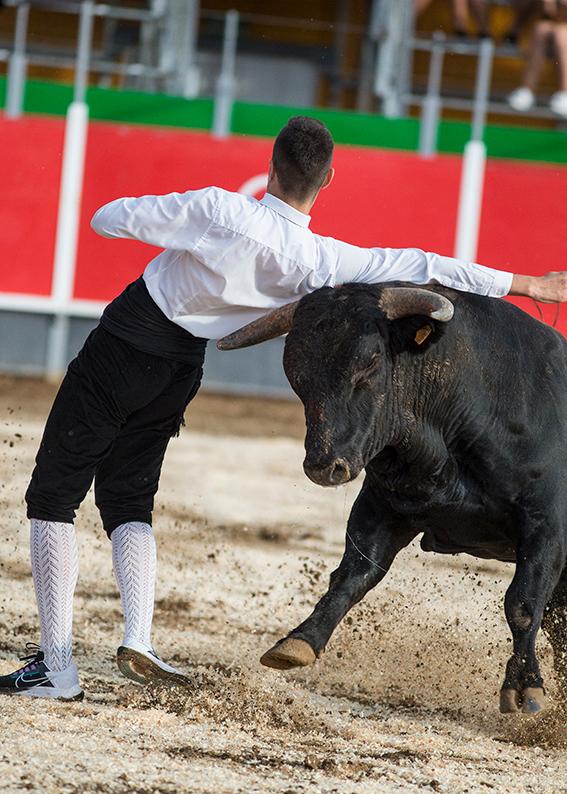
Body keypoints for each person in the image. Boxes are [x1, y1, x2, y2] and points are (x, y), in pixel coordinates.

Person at [1, 115, 566, 701]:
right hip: (180, 370)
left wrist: (183, 227)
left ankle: (57, 666)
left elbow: (108, 219)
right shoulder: (322, 261)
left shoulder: (220, 210)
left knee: (53, 495)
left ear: (271, 166)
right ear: (327, 182)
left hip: (125, 343)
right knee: (128, 497)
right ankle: (138, 637)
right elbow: (427, 265)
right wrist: (529, 284)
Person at [508, 0, 567, 117]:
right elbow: (550, 15)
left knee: (561, 37)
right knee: (540, 30)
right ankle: (526, 90)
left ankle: (565, 92)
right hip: (553, 28)